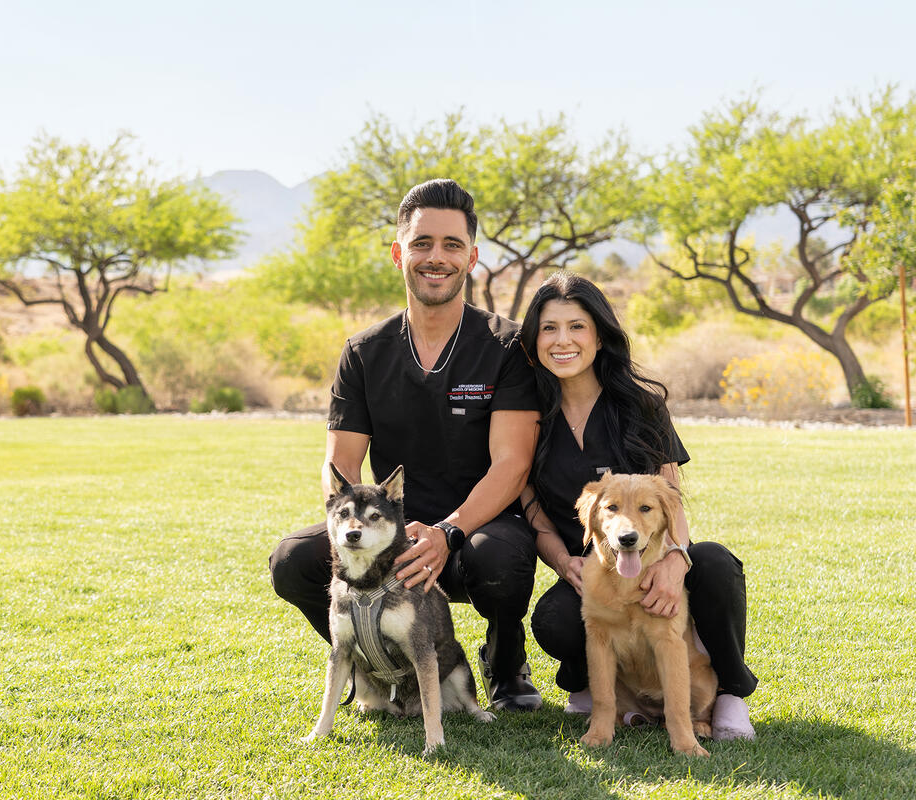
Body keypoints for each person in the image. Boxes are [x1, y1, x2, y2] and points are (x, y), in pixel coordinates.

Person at [269, 178, 545, 711]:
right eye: (421, 244)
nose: (435, 258)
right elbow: (340, 466)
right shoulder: (364, 351)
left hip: (480, 526)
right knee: (293, 560)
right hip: (388, 529)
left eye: (450, 245)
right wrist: (371, 537)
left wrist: (447, 532)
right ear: (399, 253)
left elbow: (513, 463)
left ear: (472, 257)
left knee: (500, 563)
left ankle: (505, 663)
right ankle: (374, 666)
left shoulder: (506, 345)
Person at [520, 271, 757, 739]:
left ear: (601, 336)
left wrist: (675, 559)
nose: (562, 340)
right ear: (534, 339)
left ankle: (727, 695)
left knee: (714, 563)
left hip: (648, 555)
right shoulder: (527, 411)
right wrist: (563, 559)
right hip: (590, 569)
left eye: (577, 327)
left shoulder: (642, 406)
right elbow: (528, 499)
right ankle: (598, 690)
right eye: (549, 328)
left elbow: (672, 499)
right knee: (553, 619)